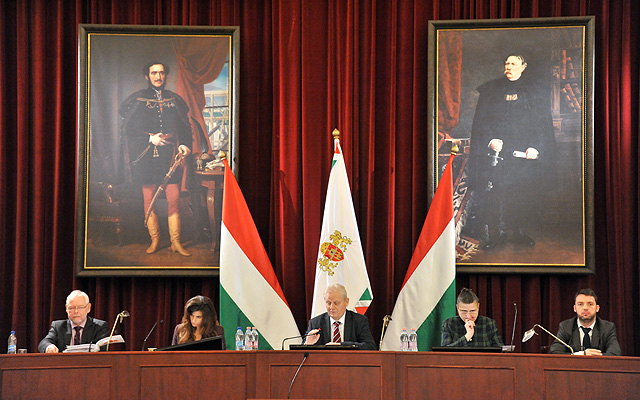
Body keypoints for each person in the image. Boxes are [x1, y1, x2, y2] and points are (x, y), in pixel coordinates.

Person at [467, 54, 557, 250]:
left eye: (513, 63)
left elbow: (541, 125)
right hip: (498, 154)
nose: (508, 67)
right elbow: (482, 122)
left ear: (523, 66)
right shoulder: (491, 90)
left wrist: (535, 146)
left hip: (524, 153)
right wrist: (490, 141)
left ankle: (519, 232)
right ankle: (498, 234)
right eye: (506, 63)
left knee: (521, 192)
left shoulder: (535, 91)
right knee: (497, 192)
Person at [119, 61, 193, 256]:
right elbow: (128, 129)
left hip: (171, 156)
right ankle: (155, 240)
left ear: (165, 75)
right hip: (147, 157)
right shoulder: (137, 99)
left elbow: (186, 127)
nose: (158, 76)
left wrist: (185, 145)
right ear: (147, 76)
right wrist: (149, 138)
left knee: (174, 199)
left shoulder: (175, 100)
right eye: (154, 73)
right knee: (149, 198)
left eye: (161, 73)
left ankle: (175, 242)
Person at [304, 283, 376, 350]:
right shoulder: (315, 323)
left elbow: (370, 346)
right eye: (328, 303)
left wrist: (341, 345)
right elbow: (301, 354)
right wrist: (307, 344)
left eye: (336, 303)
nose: (332, 307)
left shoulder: (359, 321)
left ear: (346, 301)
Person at [550, 289, 621, 356]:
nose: (585, 308)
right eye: (580, 304)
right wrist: (581, 354)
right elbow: (555, 352)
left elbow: (615, 353)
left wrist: (594, 356)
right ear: (575, 308)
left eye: (590, 304)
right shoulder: (566, 326)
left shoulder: (607, 327)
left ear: (597, 308)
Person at [38, 290, 110, 353]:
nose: (76, 311)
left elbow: (102, 351)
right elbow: (44, 343)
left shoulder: (99, 327)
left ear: (88, 308)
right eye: (71, 308)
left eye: (80, 307)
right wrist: (49, 346)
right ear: (66, 308)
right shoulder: (58, 327)